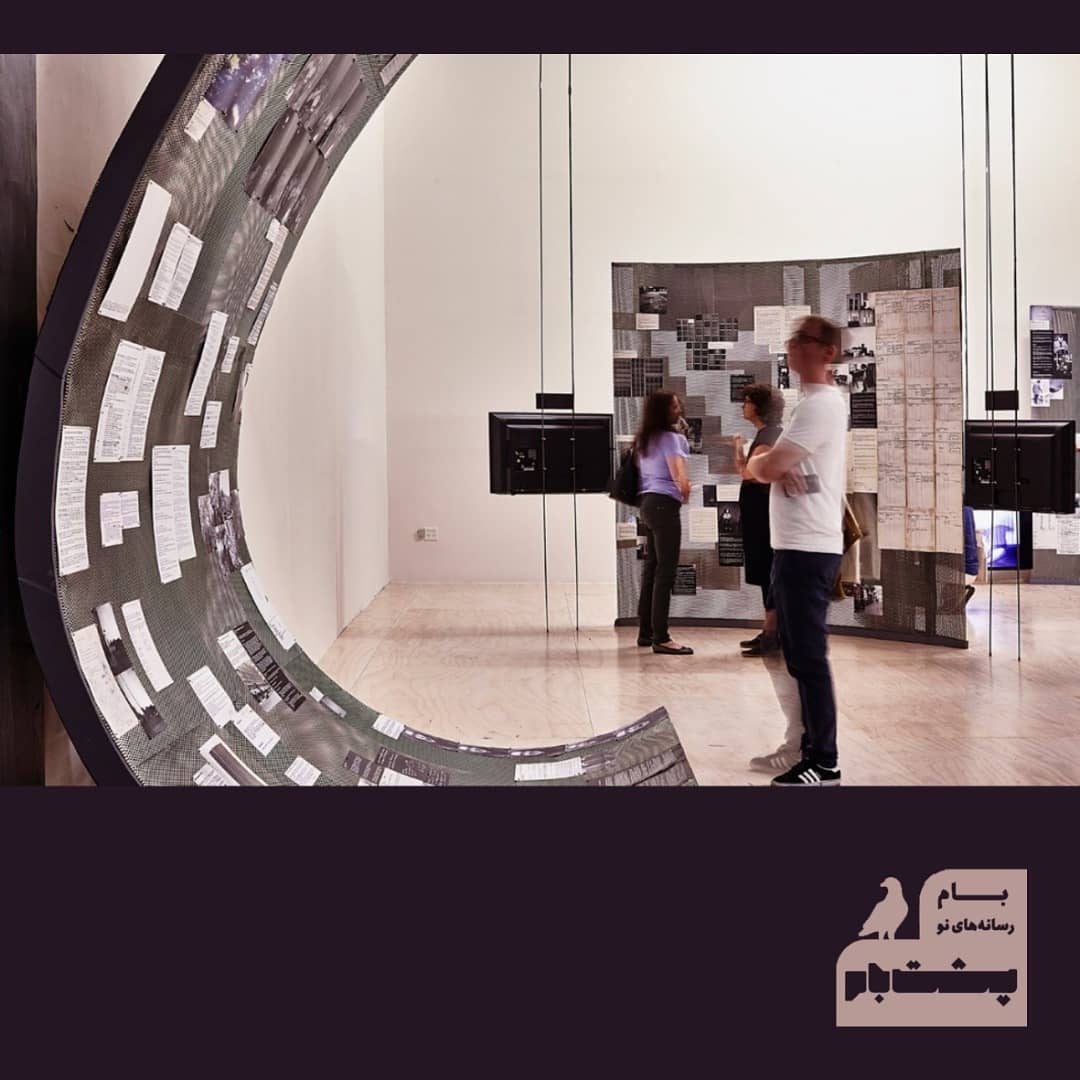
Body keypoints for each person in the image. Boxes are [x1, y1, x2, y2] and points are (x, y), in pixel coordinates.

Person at [746, 316, 848, 787]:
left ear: (827, 351)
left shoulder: (821, 406)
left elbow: (764, 469)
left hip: (808, 548)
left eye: (802, 340)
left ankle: (824, 761)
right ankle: (805, 749)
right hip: (794, 545)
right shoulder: (809, 405)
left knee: (808, 657)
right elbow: (772, 468)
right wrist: (769, 464)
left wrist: (764, 463)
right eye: (791, 340)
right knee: (797, 656)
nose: (792, 347)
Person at [635, 390, 693, 656]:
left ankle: (645, 632)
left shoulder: (645, 439)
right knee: (665, 573)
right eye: (674, 406)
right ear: (664, 411)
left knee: (652, 570)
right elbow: (679, 476)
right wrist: (686, 493)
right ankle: (662, 637)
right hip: (664, 505)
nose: (679, 409)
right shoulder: (671, 439)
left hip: (647, 504)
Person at [732, 383, 784, 657]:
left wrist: (738, 450)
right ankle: (771, 631)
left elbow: (748, 474)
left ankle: (773, 632)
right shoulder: (768, 434)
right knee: (766, 573)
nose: (743, 405)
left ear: (759, 406)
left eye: (748, 401)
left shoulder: (769, 435)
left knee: (768, 572)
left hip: (763, 516)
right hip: (760, 514)